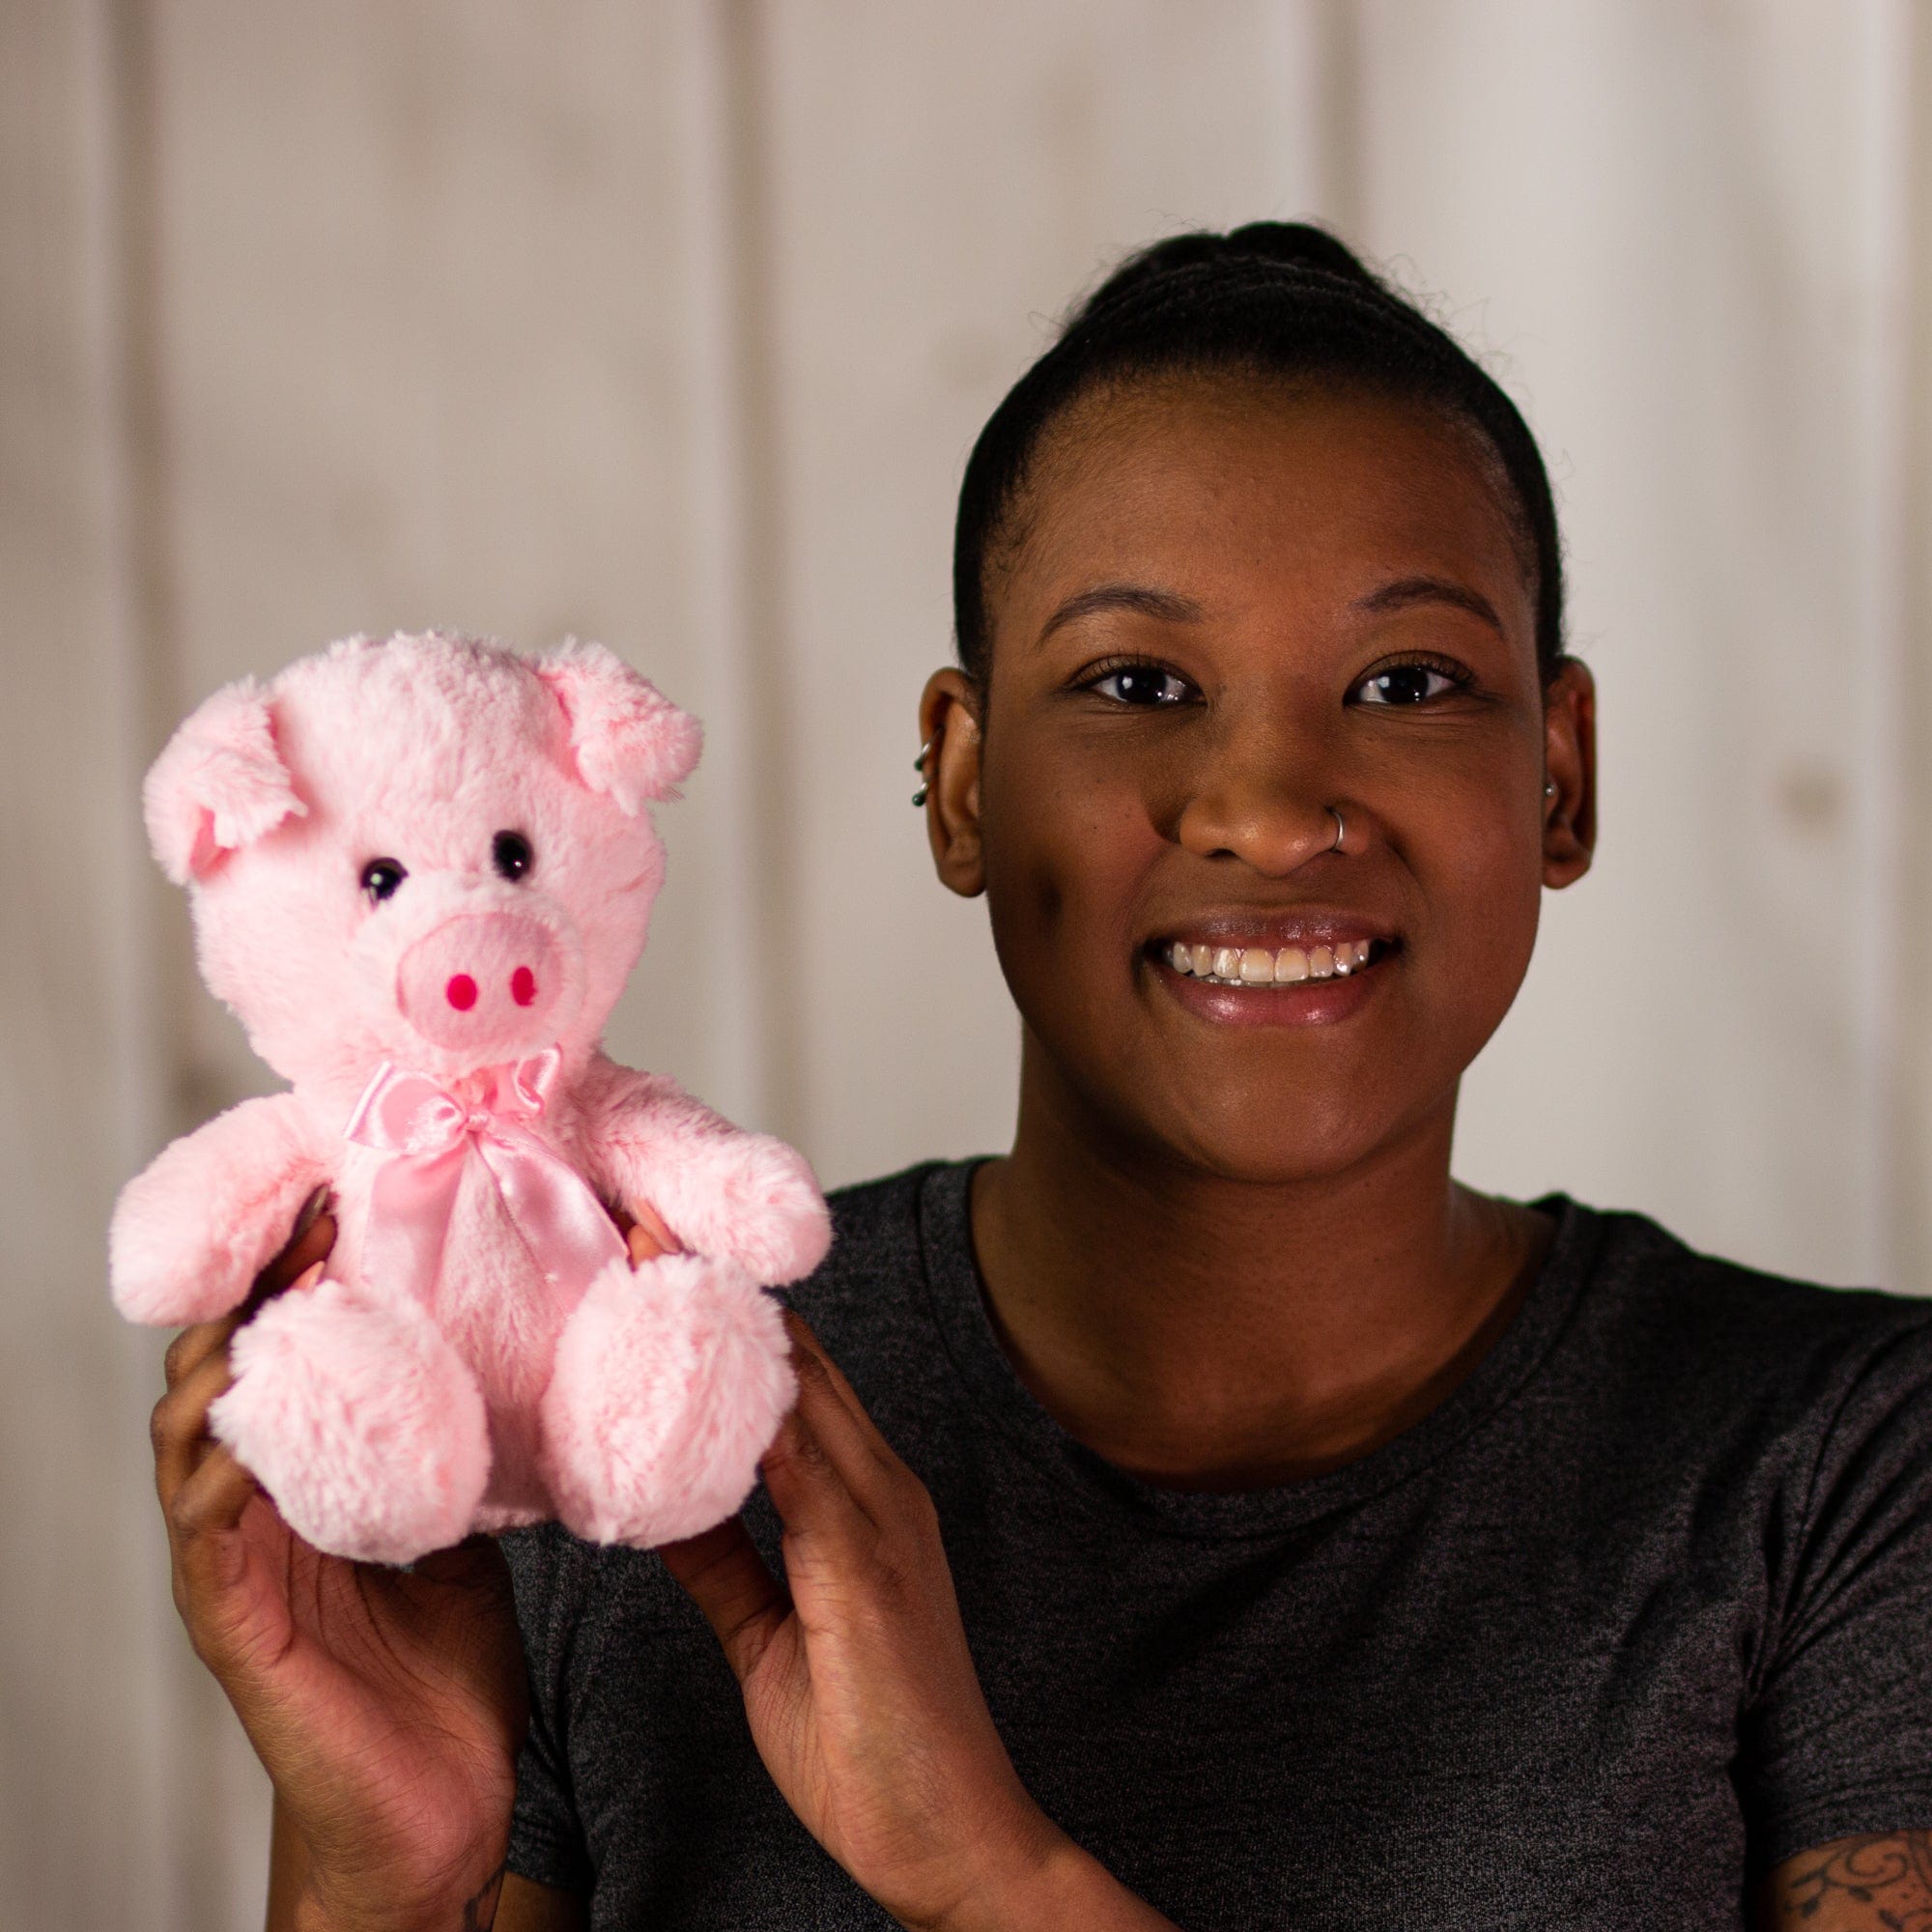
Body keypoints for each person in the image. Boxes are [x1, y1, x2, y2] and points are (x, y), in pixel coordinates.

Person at [150, 225, 1932, 1931]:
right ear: (961, 784)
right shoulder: (618, 1405)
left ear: (1559, 778)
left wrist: (994, 1881)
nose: (1267, 807)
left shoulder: (1845, 1472)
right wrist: (386, 1875)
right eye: (1141, 680)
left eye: (1406, 679)